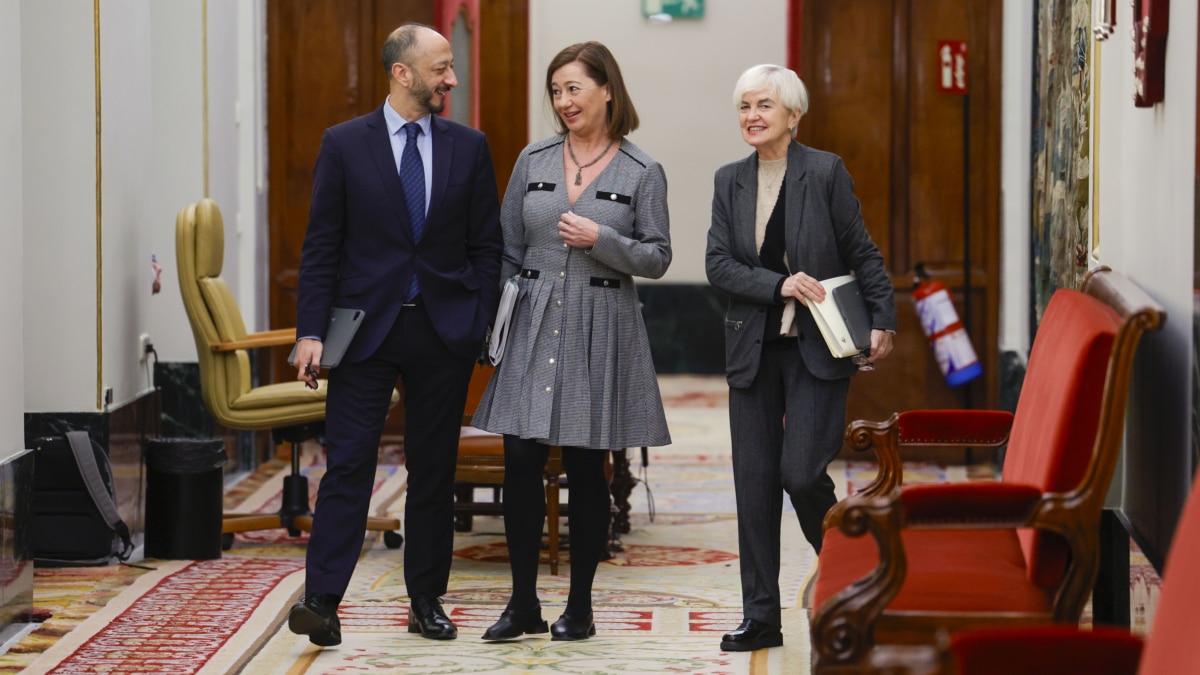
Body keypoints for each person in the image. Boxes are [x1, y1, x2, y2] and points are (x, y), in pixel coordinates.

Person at [287, 23, 503, 647]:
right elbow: (322, 245)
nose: (452, 79)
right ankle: (323, 600)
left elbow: (486, 246)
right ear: (403, 73)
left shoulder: (469, 146)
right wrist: (310, 331)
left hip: (444, 331)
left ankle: (426, 601)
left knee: (433, 470)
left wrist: (481, 318)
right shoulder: (344, 144)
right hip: (364, 331)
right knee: (349, 466)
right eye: (441, 68)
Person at [470, 41, 672, 642]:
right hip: (531, 321)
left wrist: (601, 240)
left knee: (588, 470)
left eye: (574, 88)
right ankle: (522, 603)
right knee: (521, 461)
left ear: (607, 90)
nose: (563, 101)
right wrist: (496, 317)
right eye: (556, 91)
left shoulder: (641, 170)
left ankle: (579, 607)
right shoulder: (532, 160)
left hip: (599, 326)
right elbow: (506, 246)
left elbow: (659, 257)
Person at [705, 64, 896, 652]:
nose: (752, 116)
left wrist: (883, 316)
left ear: (793, 115)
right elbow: (718, 265)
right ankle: (760, 615)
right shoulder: (729, 180)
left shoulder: (825, 171)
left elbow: (861, 251)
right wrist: (777, 285)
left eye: (764, 105)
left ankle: (856, 574)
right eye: (744, 106)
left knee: (800, 474)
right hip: (754, 349)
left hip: (818, 348)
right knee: (754, 485)